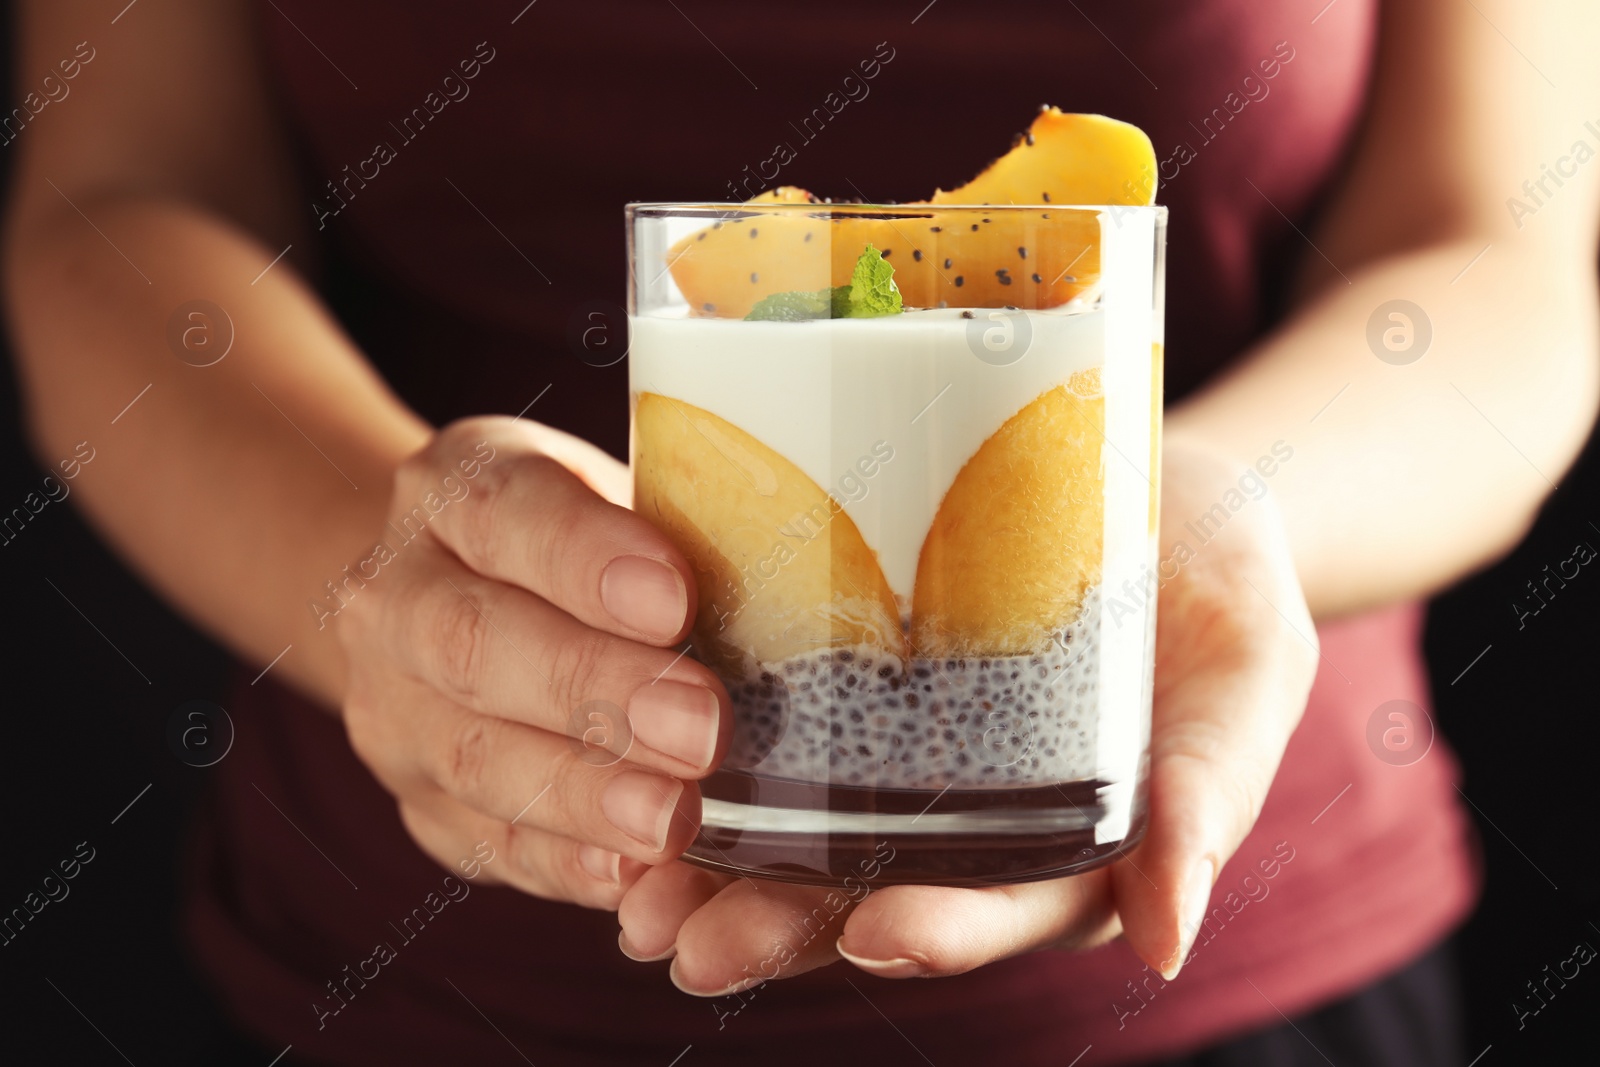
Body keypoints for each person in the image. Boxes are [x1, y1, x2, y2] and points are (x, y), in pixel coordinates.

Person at [5, 1, 1596, 1064]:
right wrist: (388, 588)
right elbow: (124, 192)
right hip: (403, 978)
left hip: (1241, 972)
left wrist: (1226, 511)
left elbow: (1497, 251)